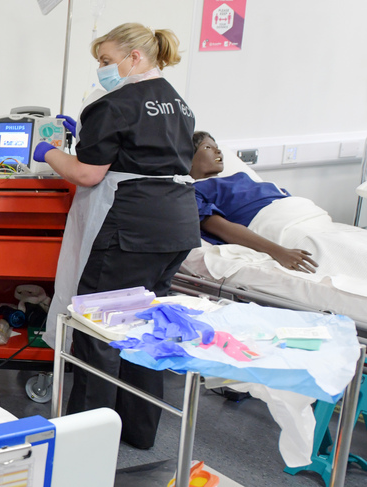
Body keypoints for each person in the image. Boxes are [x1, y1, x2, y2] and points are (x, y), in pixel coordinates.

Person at [37, 23, 198, 449]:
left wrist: (49, 153)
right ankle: (139, 431)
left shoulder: (115, 103)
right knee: (146, 324)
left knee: (100, 326)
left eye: (107, 61)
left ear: (134, 57)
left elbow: (88, 174)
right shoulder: (179, 104)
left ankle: (87, 439)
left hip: (132, 224)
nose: (103, 70)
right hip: (177, 224)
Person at [189, 131, 318, 273]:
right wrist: (279, 252)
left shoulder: (243, 177)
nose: (218, 151)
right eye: (207, 147)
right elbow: (221, 227)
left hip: (303, 216)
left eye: (217, 146)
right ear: (187, 159)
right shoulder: (195, 191)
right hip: (277, 227)